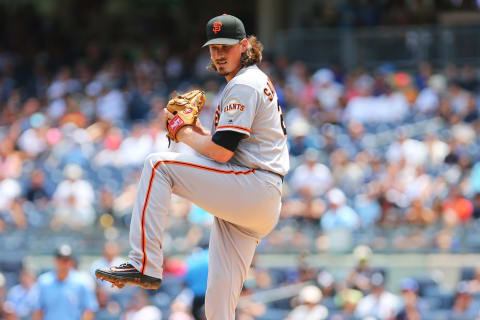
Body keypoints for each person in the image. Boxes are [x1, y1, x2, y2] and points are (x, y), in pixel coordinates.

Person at [95, 14, 289, 320]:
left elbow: (222, 153)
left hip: (253, 185)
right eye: (213, 48)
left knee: (158, 164)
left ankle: (143, 263)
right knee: (217, 308)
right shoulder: (250, 81)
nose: (219, 54)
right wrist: (194, 129)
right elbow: (219, 150)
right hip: (251, 199)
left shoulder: (245, 84)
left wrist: (182, 131)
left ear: (244, 46)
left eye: (226, 46)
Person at [32, 244, 98, 320]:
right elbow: (38, 310)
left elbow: (88, 311)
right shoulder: (43, 282)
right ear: (55, 260)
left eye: (66, 260)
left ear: (71, 261)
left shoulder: (82, 282)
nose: (63, 263)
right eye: (60, 259)